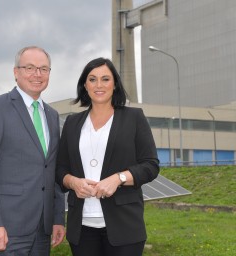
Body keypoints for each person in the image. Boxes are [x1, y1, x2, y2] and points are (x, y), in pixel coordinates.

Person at [56, 57, 160, 256]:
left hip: (125, 226)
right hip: (82, 227)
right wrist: (73, 182)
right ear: (85, 85)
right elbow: (60, 168)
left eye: (105, 79)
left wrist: (119, 178)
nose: (99, 85)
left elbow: (151, 165)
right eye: (92, 79)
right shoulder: (72, 122)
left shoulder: (134, 118)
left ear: (115, 84)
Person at [0, 46, 65, 256]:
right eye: (30, 68)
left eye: (44, 69)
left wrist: (58, 218)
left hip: (43, 229)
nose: (37, 74)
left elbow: (52, 171)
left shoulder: (51, 115)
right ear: (16, 72)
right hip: (7, 227)